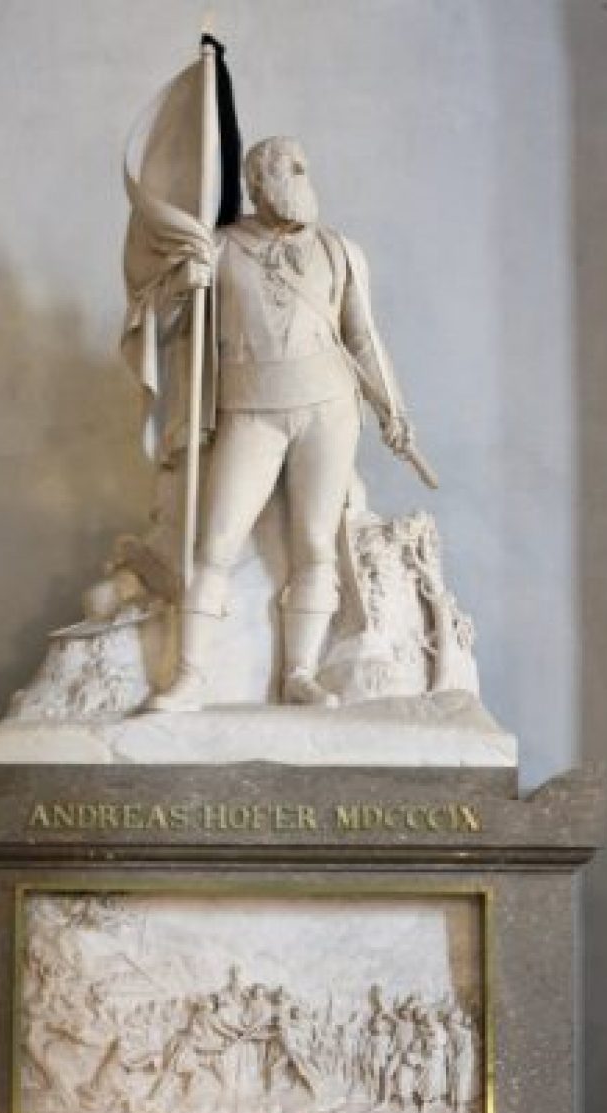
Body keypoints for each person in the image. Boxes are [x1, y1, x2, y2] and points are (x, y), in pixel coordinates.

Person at [148, 135, 416, 711]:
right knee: (216, 538)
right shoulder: (216, 248)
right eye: (285, 170)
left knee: (316, 543)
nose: (298, 177)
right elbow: (165, 326)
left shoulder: (341, 251)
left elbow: (363, 337)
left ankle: (300, 674)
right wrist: (183, 285)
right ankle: (190, 675)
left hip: (330, 408)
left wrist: (393, 409)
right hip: (249, 407)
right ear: (256, 183)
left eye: (302, 167)